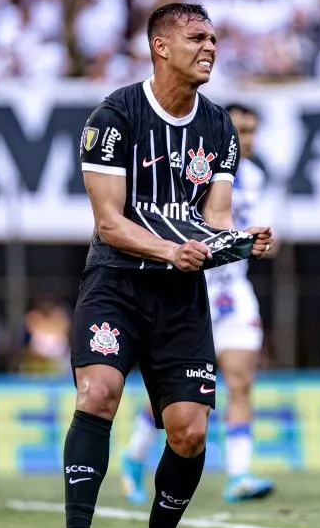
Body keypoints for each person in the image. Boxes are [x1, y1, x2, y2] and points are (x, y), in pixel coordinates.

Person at [54, 2, 276, 528]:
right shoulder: (114, 116)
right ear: (161, 47)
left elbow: (215, 218)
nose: (210, 48)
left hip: (181, 297)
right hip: (117, 284)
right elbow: (109, 223)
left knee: (190, 431)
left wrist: (240, 243)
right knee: (98, 393)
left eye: (214, 39)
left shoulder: (219, 126)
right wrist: (170, 250)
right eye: (198, 38)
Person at [119, 103, 279, 506]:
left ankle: (239, 474)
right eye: (240, 131)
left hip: (233, 295)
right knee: (174, 398)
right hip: (187, 294)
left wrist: (262, 243)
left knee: (240, 382)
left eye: (252, 131)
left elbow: (255, 235)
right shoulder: (191, 171)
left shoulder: (256, 177)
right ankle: (134, 457)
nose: (247, 141)